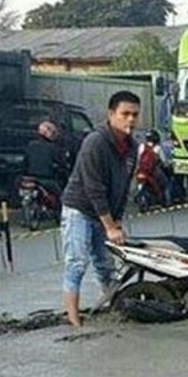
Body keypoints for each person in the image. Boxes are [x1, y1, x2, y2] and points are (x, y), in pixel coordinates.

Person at [59, 91, 141, 327]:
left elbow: (124, 187)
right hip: (80, 209)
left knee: (106, 265)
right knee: (76, 263)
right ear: (111, 114)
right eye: (125, 114)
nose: (130, 120)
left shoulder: (132, 147)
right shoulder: (94, 142)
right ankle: (74, 320)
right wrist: (110, 227)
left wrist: (116, 222)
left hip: (104, 213)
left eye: (135, 115)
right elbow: (93, 187)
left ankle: (116, 308)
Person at [24, 120, 65, 196]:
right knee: (61, 197)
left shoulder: (31, 145)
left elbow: (25, 162)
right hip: (47, 179)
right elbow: (60, 163)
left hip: (31, 178)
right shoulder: (53, 148)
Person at [134, 130, 172, 208]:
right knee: (166, 184)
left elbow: (138, 159)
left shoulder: (141, 146)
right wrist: (167, 165)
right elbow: (164, 161)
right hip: (153, 171)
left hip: (141, 170)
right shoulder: (157, 148)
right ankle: (167, 201)